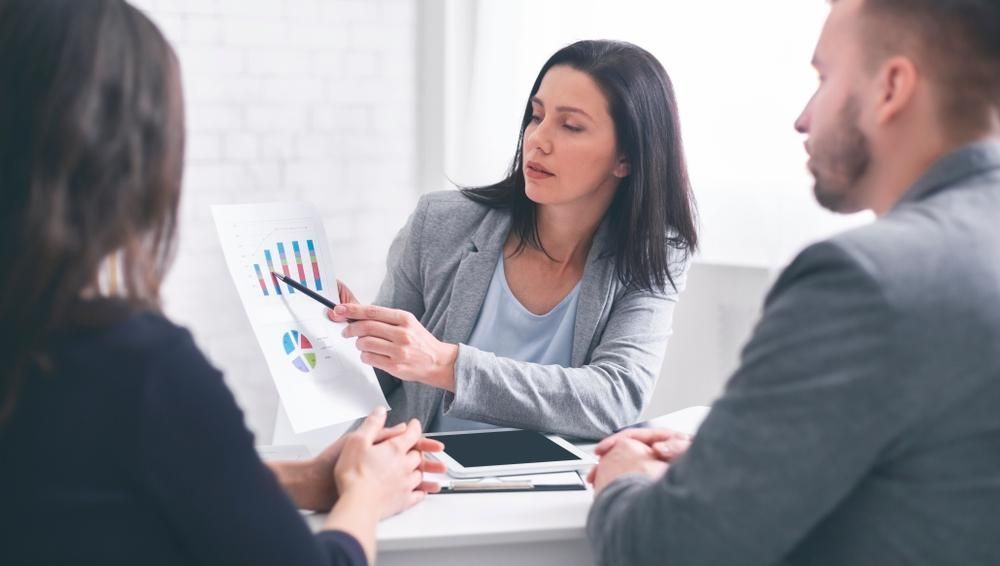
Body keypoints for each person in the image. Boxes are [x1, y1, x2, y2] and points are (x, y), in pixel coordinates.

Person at [0, 1, 444, 565]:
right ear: (135, 158)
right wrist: (365, 494)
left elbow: (88, 493)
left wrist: (300, 477)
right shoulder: (142, 370)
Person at [585, 0, 1000, 564]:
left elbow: (670, 547)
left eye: (824, 77)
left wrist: (623, 479)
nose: (803, 118)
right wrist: (744, 465)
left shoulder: (866, 281)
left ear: (891, 88)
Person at [328, 40, 699, 439]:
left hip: (554, 489)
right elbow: (375, 384)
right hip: (425, 479)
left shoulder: (654, 253)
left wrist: (446, 364)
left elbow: (614, 398)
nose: (538, 139)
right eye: (536, 116)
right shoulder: (439, 224)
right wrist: (343, 342)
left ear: (626, 157)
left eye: (571, 126)